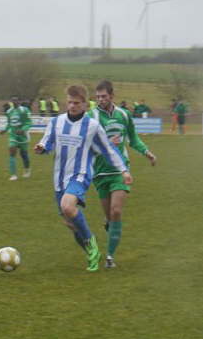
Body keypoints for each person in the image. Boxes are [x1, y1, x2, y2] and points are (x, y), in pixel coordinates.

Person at [34, 85, 132, 272]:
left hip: (80, 175)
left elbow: (108, 150)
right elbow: (47, 142)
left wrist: (123, 170)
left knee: (67, 206)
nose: (72, 106)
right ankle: (91, 252)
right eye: (69, 102)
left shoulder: (92, 126)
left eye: (76, 103)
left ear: (85, 104)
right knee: (70, 223)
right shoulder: (56, 122)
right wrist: (41, 147)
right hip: (59, 178)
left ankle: (91, 242)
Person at [89, 80, 156, 268]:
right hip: (100, 172)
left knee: (116, 211)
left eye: (104, 96)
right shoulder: (91, 116)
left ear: (111, 96)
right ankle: (109, 223)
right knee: (110, 217)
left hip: (120, 170)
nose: (100, 100)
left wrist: (147, 152)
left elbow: (133, 139)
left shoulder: (124, 115)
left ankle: (110, 257)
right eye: (98, 97)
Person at [0, 97, 32, 181]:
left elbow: (28, 122)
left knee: (23, 154)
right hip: (13, 135)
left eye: (16, 100)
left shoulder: (24, 110)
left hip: (23, 136)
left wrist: (23, 129)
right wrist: (5, 129)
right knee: (12, 152)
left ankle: (27, 170)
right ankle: (13, 175)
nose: (14, 102)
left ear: (19, 102)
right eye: (12, 101)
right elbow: (9, 123)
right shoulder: (9, 112)